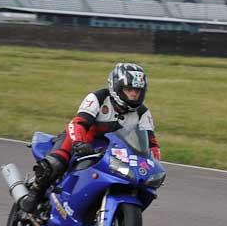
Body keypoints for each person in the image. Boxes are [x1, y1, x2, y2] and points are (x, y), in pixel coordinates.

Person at [18, 63, 161, 215]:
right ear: (116, 87)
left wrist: (152, 163)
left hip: (112, 150)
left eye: (138, 90)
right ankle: (34, 193)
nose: (133, 94)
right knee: (56, 163)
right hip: (80, 140)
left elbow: (151, 144)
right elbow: (78, 123)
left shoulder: (143, 113)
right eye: (129, 89)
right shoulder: (98, 98)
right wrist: (79, 142)